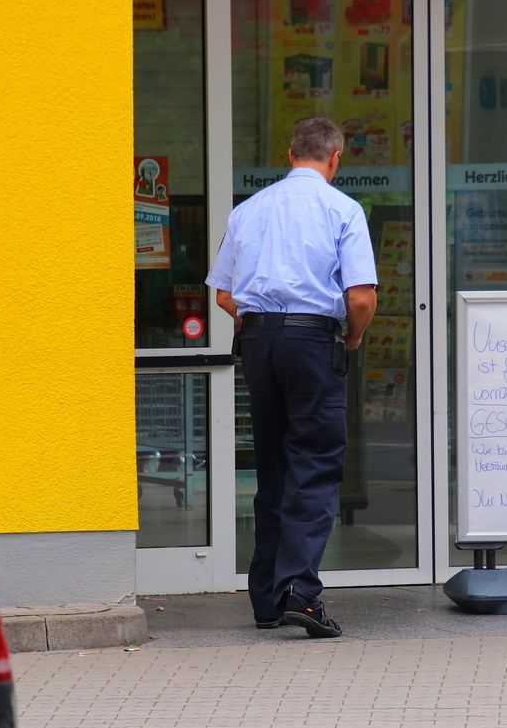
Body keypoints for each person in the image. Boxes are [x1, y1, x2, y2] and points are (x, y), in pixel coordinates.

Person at [205, 116, 377, 638]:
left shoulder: (248, 210)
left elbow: (223, 293)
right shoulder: (342, 209)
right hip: (313, 340)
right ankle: (301, 593)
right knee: (317, 463)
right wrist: (350, 337)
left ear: (289, 153)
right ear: (335, 158)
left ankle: (267, 598)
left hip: (257, 340)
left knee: (274, 466)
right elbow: (362, 296)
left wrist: (262, 326)